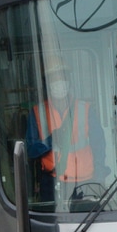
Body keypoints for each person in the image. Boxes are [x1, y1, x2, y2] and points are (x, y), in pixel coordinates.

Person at [26, 60, 106, 207]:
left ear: (68, 82)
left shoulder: (85, 109)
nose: (59, 83)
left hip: (85, 179)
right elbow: (30, 150)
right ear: (48, 85)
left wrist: (99, 176)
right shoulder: (38, 112)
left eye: (62, 79)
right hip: (52, 180)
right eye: (55, 80)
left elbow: (99, 144)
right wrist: (51, 141)